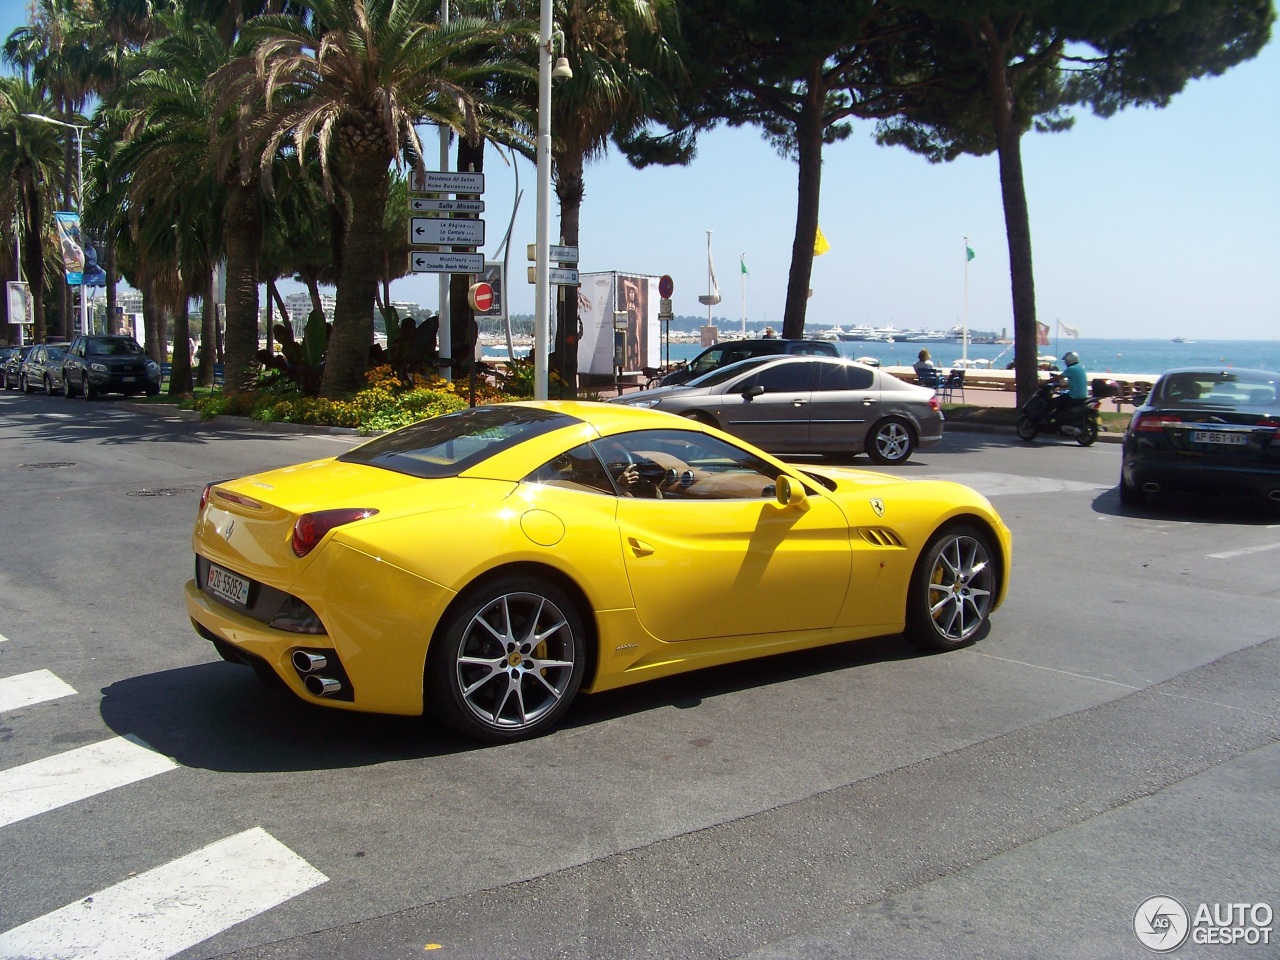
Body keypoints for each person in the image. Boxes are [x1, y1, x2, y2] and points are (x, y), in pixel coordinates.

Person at [1051, 350, 1088, 416]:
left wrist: (1045, 382)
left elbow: (1057, 378)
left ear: (1068, 360)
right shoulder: (1080, 368)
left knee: (1052, 402)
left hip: (1074, 396)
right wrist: (1062, 385)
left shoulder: (1071, 369)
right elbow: (1076, 382)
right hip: (1083, 395)